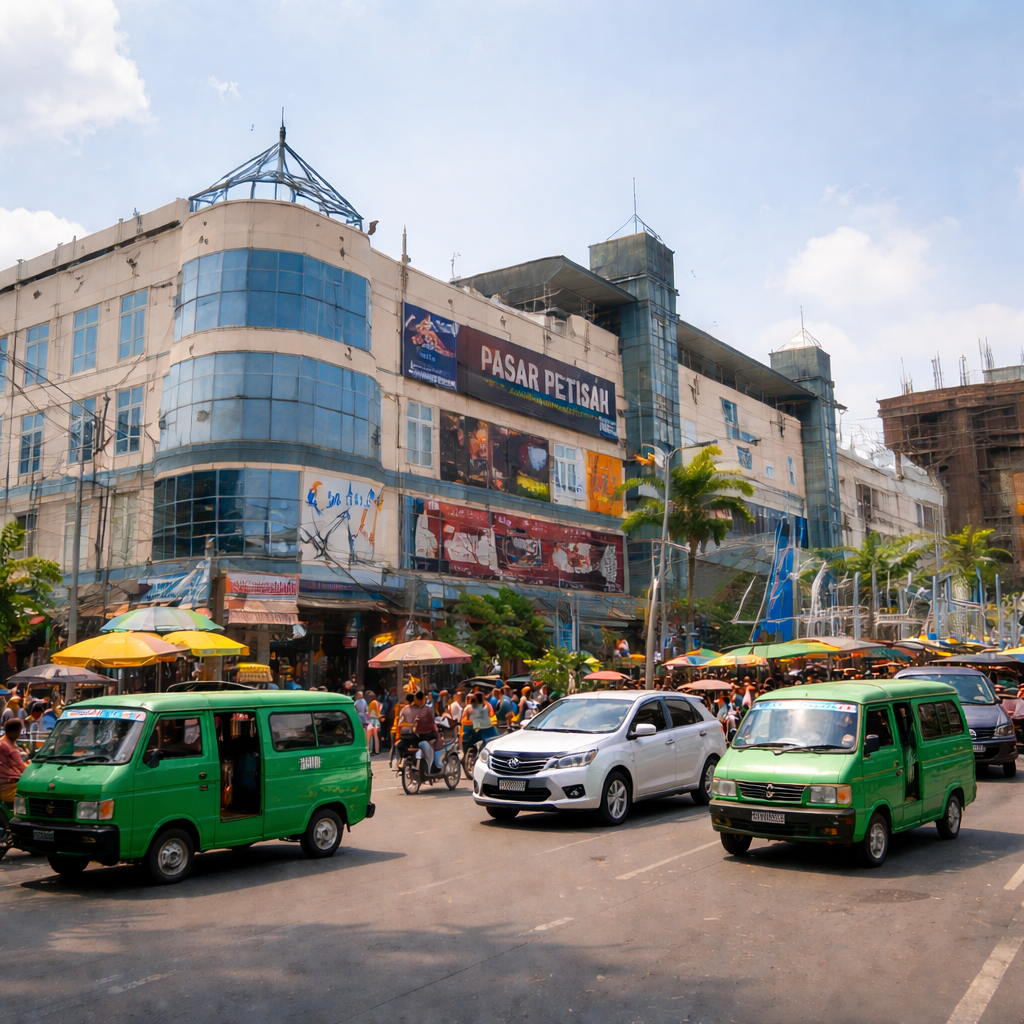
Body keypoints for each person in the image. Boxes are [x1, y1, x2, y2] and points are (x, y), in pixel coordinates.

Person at [0, 718, 28, 803]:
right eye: (19, 731)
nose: (19, 735)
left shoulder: (3, 742)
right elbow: (22, 767)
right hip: (9, 788)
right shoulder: (10, 749)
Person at [365, 690, 381, 755]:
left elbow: (368, 714)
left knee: (369, 737)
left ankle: (369, 750)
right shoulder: (377, 703)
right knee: (375, 736)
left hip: (371, 720)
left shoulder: (371, 703)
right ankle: (376, 751)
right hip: (376, 720)